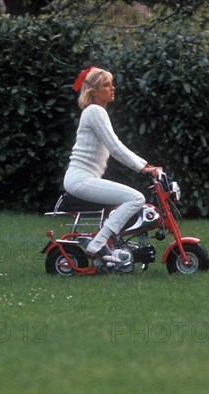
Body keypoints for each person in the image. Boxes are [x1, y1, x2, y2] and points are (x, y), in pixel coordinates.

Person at [63, 66, 161, 272]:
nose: (112, 88)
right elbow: (115, 147)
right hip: (80, 180)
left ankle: (112, 245)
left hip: (81, 179)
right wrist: (143, 167)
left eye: (111, 84)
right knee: (136, 198)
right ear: (94, 92)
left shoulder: (95, 112)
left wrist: (144, 165)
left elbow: (114, 147)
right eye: (106, 85)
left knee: (125, 201)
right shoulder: (95, 111)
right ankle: (98, 244)